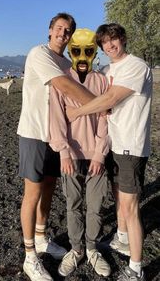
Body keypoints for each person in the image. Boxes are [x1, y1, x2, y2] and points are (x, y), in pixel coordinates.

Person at [66, 23, 152, 281]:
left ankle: (136, 269)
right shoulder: (105, 69)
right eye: (104, 42)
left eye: (113, 40)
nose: (109, 45)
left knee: (130, 205)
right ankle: (122, 239)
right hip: (113, 144)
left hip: (131, 145)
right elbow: (94, 93)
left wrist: (77, 112)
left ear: (123, 39)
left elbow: (110, 99)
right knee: (118, 198)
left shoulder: (137, 66)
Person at [17, 12, 95, 281]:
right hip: (34, 133)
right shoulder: (39, 53)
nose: (64, 33)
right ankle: (30, 257)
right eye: (59, 28)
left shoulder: (67, 61)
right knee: (33, 191)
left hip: (56, 136)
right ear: (50, 30)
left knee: (49, 186)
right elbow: (63, 86)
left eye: (68, 30)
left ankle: (41, 238)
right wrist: (101, 104)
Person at [49, 28, 111, 278]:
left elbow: (106, 120)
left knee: (95, 206)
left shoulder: (102, 81)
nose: (82, 56)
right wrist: (63, 152)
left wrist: (99, 154)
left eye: (88, 51)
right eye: (77, 51)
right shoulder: (62, 79)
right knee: (73, 206)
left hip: (95, 155)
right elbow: (55, 118)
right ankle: (76, 249)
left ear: (94, 52)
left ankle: (92, 248)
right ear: (71, 51)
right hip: (70, 156)